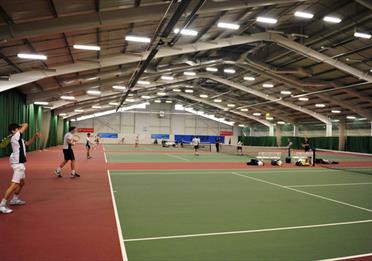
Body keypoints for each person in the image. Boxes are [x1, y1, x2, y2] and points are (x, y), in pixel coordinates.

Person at [0, 123, 40, 214]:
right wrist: (20, 125)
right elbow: (26, 124)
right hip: (18, 164)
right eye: (17, 128)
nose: (19, 129)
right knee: (14, 185)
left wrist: (34, 136)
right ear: (13, 131)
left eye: (19, 128)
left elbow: (28, 143)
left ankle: (14, 199)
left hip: (19, 163)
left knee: (22, 183)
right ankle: (2, 205)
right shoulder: (16, 136)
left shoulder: (19, 138)